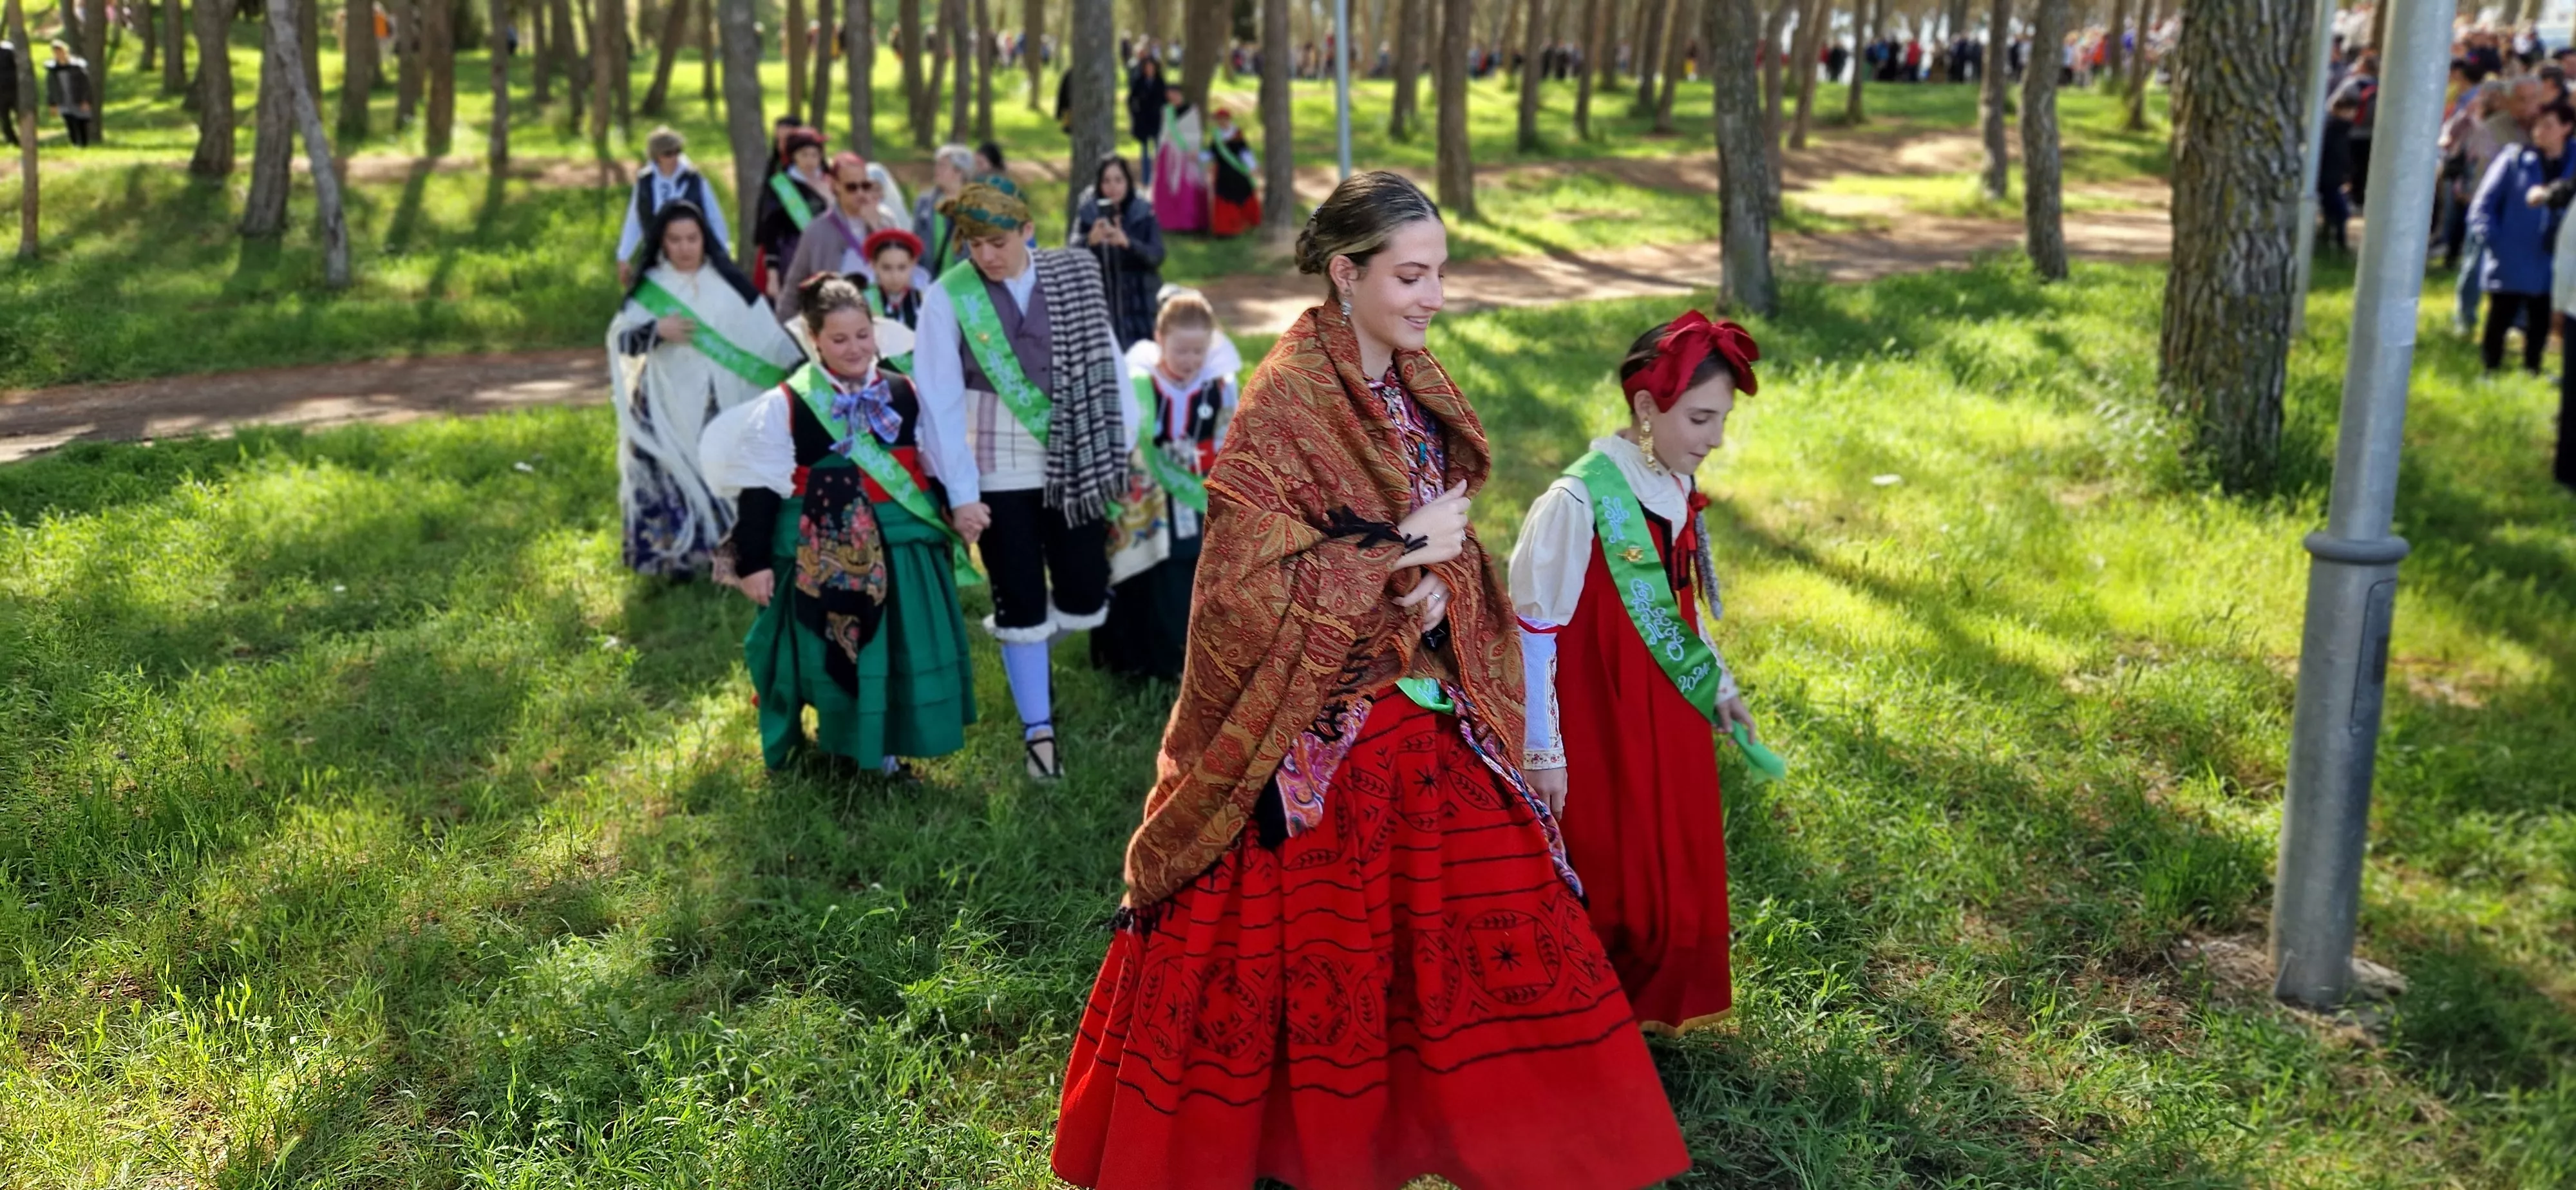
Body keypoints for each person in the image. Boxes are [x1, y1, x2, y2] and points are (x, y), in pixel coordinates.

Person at [1049, 171, 1691, 1190]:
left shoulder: (1413, 384)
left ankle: (1549, 1132)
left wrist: (1433, 582)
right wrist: (1396, 550)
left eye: (1441, 273)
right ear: (1345, 275)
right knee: (1320, 889)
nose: (1434, 295)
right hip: (1304, 711)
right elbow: (1239, 596)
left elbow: (1448, 539)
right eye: (1412, 275)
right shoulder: (1285, 399)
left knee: (1494, 853)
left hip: (1409, 673)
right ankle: (1304, 1138)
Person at [1510, 310, 1762, 1037]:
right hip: (1598, 715)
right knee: (1608, 866)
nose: (1715, 439)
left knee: (1668, 856)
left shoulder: (1673, 482)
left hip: (1665, 709)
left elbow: (1678, 603)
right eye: (1701, 418)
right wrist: (1543, 749)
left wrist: (1717, 686)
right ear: (1647, 409)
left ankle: (1651, 1003)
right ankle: (1584, 1019)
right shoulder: (1577, 500)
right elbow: (1534, 630)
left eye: (1721, 421)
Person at [699, 273, 978, 773]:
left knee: (897, 650)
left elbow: (929, 465)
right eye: (839, 339)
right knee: (842, 653)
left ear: (877, 330)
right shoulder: (788, 402)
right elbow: (761, 491)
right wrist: (754, 562)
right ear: (814, 340)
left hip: (903, 547)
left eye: (863, 335)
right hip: (825, 554)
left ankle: (889, 747)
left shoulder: (905, 389)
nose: (855, 349)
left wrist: (957, 509)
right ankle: (849, 742)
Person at [911, 178, 1139, 779]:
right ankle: (1038, 732)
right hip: (993, 463)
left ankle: (1030, 651)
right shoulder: (947, 296)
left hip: (1076, 457)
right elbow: (936, 400)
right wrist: (962, 493)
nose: (984, 255)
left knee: (1086, 590)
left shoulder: (1073, 276)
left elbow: (1110, 363)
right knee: (1018, 600)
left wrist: (1123, 447)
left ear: (1027, 232)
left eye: (997, 241)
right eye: (972, 242)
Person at [607, 202, 806, 578]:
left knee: (725, 470)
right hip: (666, 403)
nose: (684, 248)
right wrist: (655, 331)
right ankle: (674, 564)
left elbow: (767, 340)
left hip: (724, 400)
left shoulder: (730, 284)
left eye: (692, 239)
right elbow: (620, 340)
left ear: (705, 239)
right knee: (669, 477)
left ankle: (731, 559)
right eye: (675, 240)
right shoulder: (652, 288)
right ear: (662, 243)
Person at [1093, 289, 1240, 682]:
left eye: (1199, 350)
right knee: (1143, 574)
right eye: (1182, 350)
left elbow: (1229, 440)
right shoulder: (1138, 383)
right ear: (1160, 339)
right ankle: (1135, 662)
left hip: (1194, 496)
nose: (1192, 361)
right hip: (1145, 500)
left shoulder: (1219, 385)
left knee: (1187, 573)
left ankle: (1182, 662)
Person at [2469, 100, 2575, 374]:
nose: (2540, 131)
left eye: (2549, 125)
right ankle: (2490, 367)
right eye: (2538, 125)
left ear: (2567, 128)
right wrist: (2493, 240)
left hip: (2553, 257)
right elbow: (2483, 204)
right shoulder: (2515, 159)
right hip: (2511, 254)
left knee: (2541, 316)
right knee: (2500, 314)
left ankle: (2533, 367)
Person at [777, 152, 900, 325]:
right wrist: (784, 333)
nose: (860, 193)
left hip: (882, 318)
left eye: (866, 186)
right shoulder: (818, 230)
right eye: (852, 187)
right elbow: (794, 287)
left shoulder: (886, 221)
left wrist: (877, 228)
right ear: (835, 186)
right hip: (837, 322)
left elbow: (901, 269)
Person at [1067, 155, 1167, 348]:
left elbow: (1157, 255)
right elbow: (1071, 256)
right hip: (1101, 310)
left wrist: (1128, 243)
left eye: (1118, 180)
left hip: (1140, 308)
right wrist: (1090, 241)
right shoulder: (1088, 214)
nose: (1113, 187)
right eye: (1106, 181)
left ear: (1128, 182)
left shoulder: (1143, 212)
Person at [618, 128, 732, 287]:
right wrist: (624, 255)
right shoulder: (645, 182)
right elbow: (634, 220)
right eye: (668, 154)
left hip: (691, 257)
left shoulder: (695, 180)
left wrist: (723, 253)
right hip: (656, 258)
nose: (674, 158)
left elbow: (714, 217)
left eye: (677, 152)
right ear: (657, 157)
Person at [754, 126, 831, 298]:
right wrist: (772, 276)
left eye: (815, 155)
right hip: (792, 257)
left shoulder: (831, 183)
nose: (810, 161)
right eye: (804, 155)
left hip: (829, 255)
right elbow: (771, 232)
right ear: (793, 157)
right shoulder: (782, 186)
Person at [1150, 82, 1208, 234]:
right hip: (1168, 154)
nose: (1172, 96)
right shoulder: (1167, 111)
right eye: (1169, 94)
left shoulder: (1191, 111)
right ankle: (1168, 222)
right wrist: (1158, 152)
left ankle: (1187, 223)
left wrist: (1194, 149)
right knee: (1167, 189)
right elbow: (1164, 132)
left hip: (1186, 154)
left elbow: (1195, 131)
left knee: (1186, 189)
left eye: (1175, 93)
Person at [912, 142, 978, 272]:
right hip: (929, 281)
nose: (936, 170)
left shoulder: (977, 206)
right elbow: (915, 242)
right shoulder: (924, 203)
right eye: (937, 165)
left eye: (942, 166)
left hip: (964, 280)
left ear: (959, 172)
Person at [2329, 52, 2379, 210]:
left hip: (2352, 131)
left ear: (2363, 66)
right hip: (2374, 134)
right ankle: (2363, 199)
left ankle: (2352, 199)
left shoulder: (2352, 84)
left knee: (2351, 166)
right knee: (2366, 168)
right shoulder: (2383, 85)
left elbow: (2332, 105)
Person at [1206, 108, 1263, 238]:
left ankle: (1246, 223)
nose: (1221, 123)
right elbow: (1212, 153)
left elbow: (1245, 152)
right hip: (1223, 173)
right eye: (1219, 120)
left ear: (1228, 120)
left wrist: (1253, 166)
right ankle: (1225, 229)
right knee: (1224, 197)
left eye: (1224, 120)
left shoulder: (1237, 134)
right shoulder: (1217, 136)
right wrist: (1200, 158)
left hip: (1238, 171)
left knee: (1243, 194)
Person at [2318, 95, 2356, 254]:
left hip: (2334, 177)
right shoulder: (2334, 129)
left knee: (2333, 212)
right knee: (2340, 212)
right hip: (2329, 177)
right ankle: (2338, 244)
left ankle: (2327, 240)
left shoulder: (2341, 130)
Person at [44, 41, 95, 147]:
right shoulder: (53, 70)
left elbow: (85, 84)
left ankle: (84, 145)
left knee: (81, 123)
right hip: (63, 100)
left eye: (60, 51)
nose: (58, 54)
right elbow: (51, 88)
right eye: (56, 52)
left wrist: (86, 100)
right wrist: (52, 103)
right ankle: (75, 144)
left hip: (78, 99)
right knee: (70, 123)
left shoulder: (77, 67)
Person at [1126, 55, 1164, 182]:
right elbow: (1131, 99)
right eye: (1147, 67)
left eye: (1151, 67)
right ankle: (1146, 178)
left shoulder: (1160, 83)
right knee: (1145, 150)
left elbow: (1165, 101)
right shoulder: (1139, 82)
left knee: (1158, 149)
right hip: (1143, 120)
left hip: (1156, 120)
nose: (1149, 70)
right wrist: (1135, 114)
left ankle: (1158, 177)